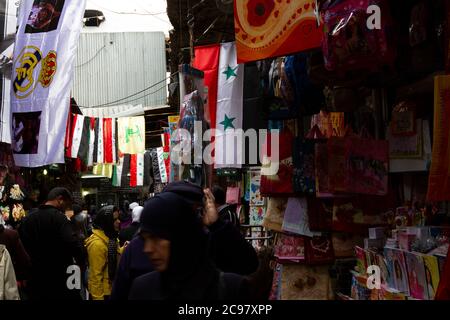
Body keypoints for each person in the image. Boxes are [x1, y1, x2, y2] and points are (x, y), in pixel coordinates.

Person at [128, 190, 249, 300]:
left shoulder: (229, 288)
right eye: (145, 239)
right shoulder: (142, 289)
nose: (147, 249)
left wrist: (217, 225)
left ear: (179, 236)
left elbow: (248, 263)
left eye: (157, 238)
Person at [164, 181, 259, 276]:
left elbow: (249, 264)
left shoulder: (207, 240)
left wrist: (217, 224)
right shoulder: (159, 248)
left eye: (195, 211)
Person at [19, 187, 85, 300]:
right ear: (60, 200)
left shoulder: (27, 219)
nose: (67, 208)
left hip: (35, 277)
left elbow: (21, 248)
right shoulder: (60, 219)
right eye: (67, 204)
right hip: (59, 277)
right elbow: (73, 244)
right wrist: (81, 261)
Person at [85, 205, 123, 300]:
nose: (119, 222)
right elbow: (95, 278)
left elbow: (110, 257)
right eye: (115, 220)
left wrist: (123, 250)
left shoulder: (109, 236)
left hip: (111, 289)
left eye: (118, 218)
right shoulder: (97, 244)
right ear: (106, 222)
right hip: (104, 294)